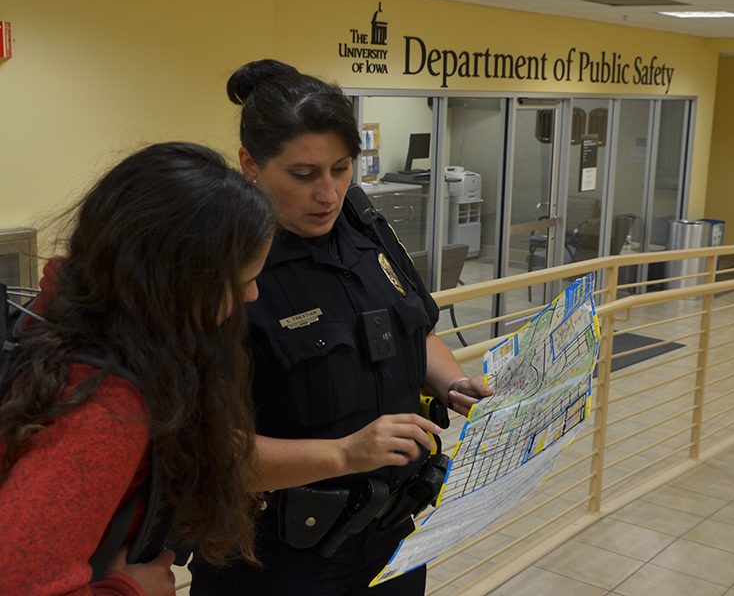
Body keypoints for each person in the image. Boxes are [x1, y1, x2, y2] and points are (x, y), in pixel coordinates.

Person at [188, 59, 493, 595]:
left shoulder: (362, 224)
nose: (327, 194)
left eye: (341, 168)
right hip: (277, 561)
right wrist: (345, 453)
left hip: (390, 541)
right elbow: (208, 452)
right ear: (250, 165)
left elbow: (412, 329)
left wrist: (451, 382)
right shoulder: (220, 265)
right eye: (303, 175)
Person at [0, 142, 275, 595]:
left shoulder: (60, 312)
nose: (252, 297)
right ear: (182, 282)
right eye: (243, 281)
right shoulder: (104, 408)